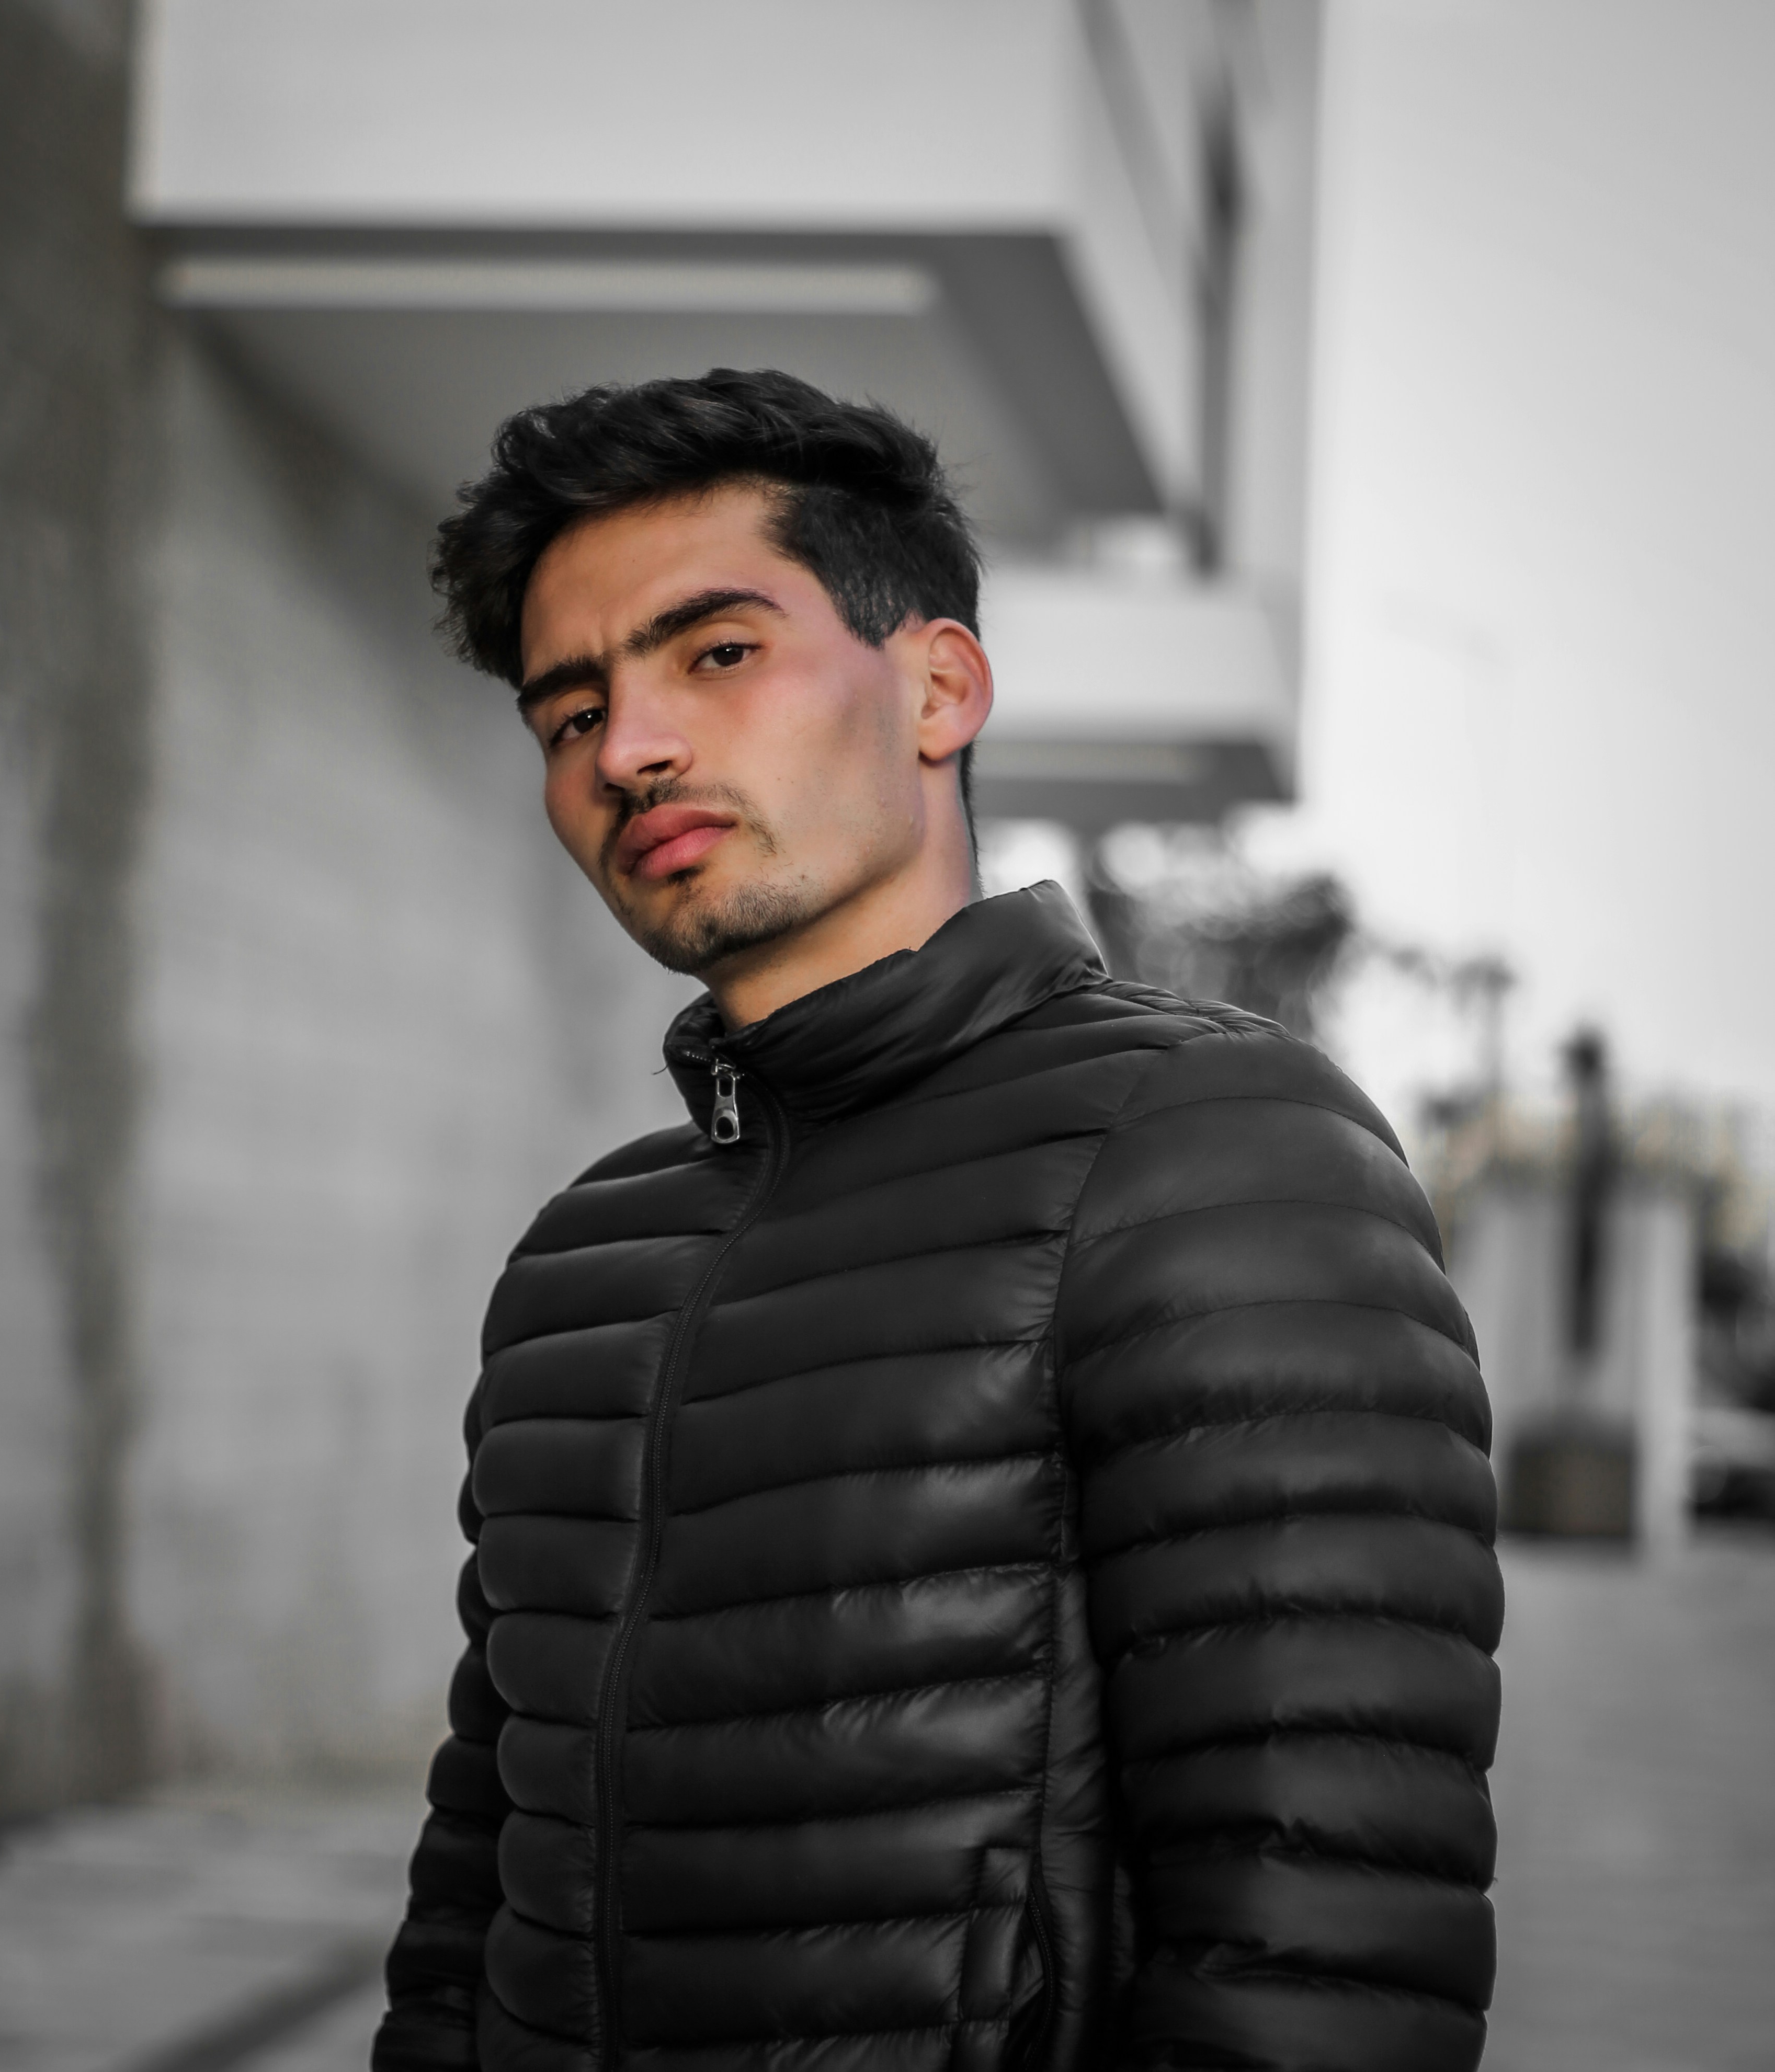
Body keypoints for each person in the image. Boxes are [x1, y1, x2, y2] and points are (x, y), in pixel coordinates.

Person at [372, 369, 1501, 2072]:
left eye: (717, 652)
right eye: (566, 710)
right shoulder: (580, 1261)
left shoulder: (1209, 1146)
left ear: (938, 687)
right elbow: (481, 1869)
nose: (631, 746)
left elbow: (1324, 1927)